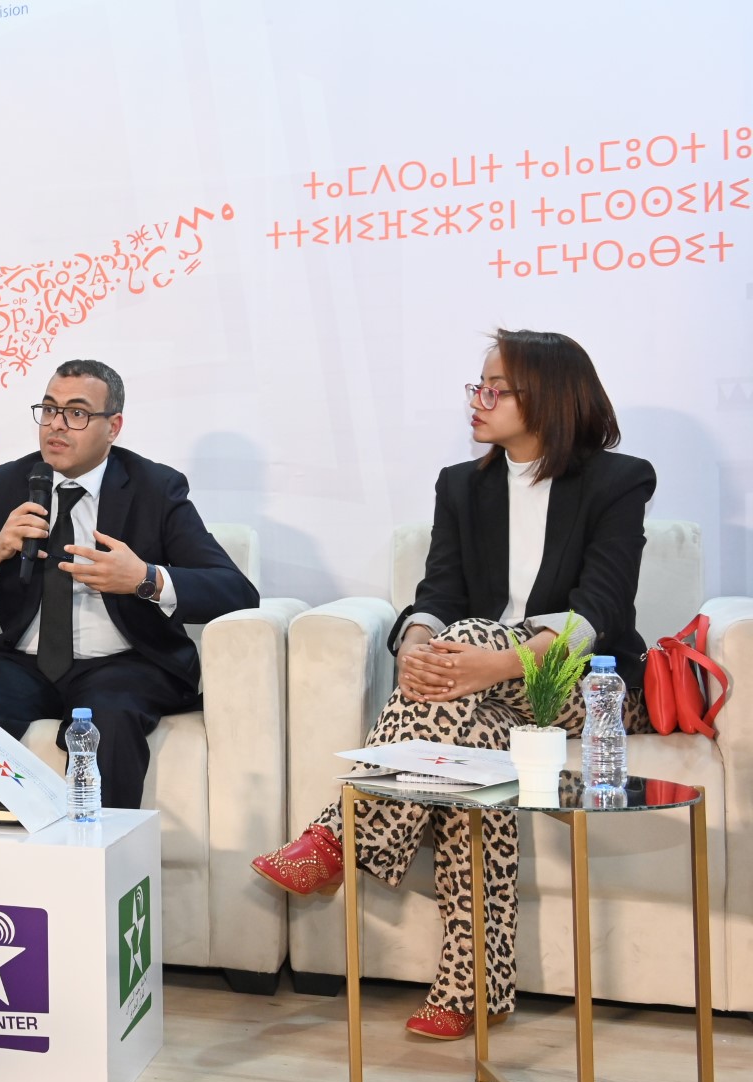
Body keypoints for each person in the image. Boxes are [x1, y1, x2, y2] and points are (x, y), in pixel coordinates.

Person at [253, 330, 654, 1039]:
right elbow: (436, 591)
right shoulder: (462, 486)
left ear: (549, 398)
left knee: (467, 637)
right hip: (474, 695)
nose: (479, 400)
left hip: (582, 687)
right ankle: (473, 990)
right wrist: (415, 648)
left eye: (497, 389)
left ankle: (341, 836)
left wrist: (492, 660)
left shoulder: (618, 481)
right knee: (470, 760)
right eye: (479, 386)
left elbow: (601, 609)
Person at [0, 359, 257, 811]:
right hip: (24, 663)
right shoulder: (4, 486)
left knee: (108, 719)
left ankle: (99, 851)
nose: (56, 425)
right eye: (49, 410)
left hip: (124, 663)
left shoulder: (155, 488)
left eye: (76, 413)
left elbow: (235, 591)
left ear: (113, 426)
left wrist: (144, 579)